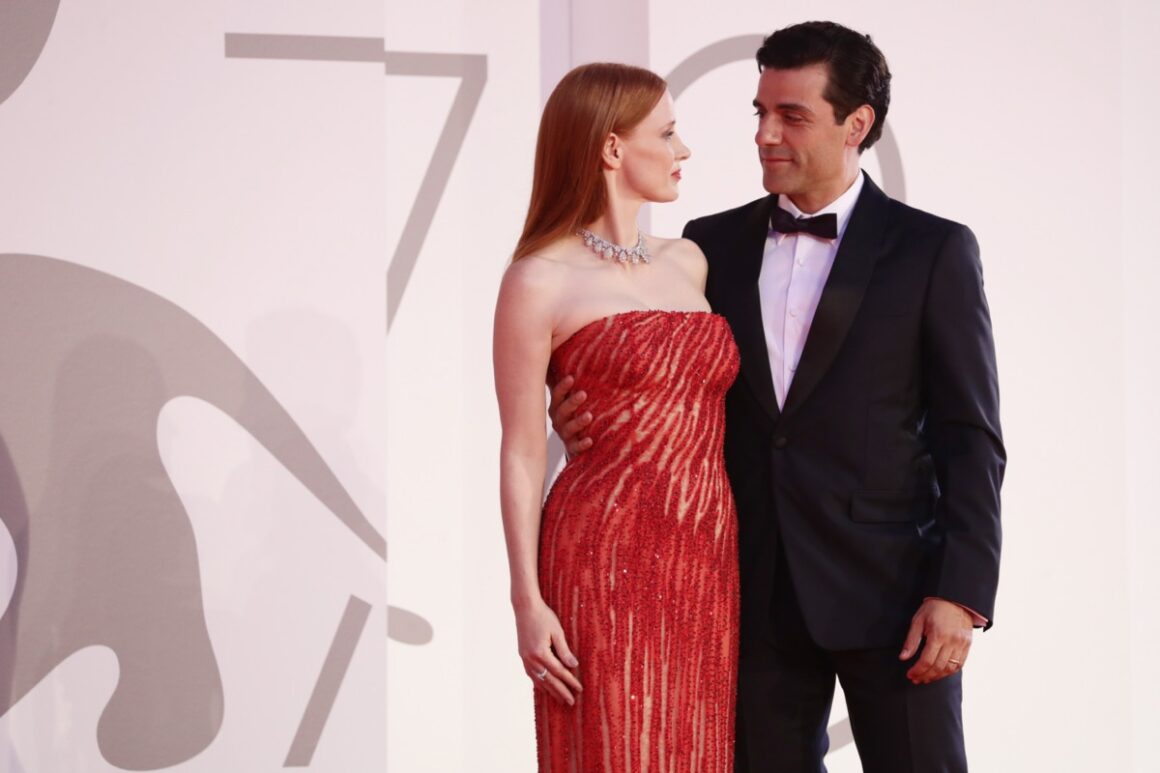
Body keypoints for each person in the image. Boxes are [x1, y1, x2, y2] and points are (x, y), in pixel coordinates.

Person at [551, 22, 1005, 773]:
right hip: (747, 593)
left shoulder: (933, 250)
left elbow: (971, 435)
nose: (765, 134)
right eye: (759, 112)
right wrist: (583, 418)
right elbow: (664, 379)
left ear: (856, 124)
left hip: (894, 596)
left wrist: (960, 592)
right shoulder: (707, 246)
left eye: (792, 116)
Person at [493, 62, 740, 772]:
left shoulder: (689, 262)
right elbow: (520, 449)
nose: (683, 150)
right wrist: (527, 602)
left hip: (705, 556)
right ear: (611, 148)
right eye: (667, 133)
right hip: (603, 554)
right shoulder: (538, 279)